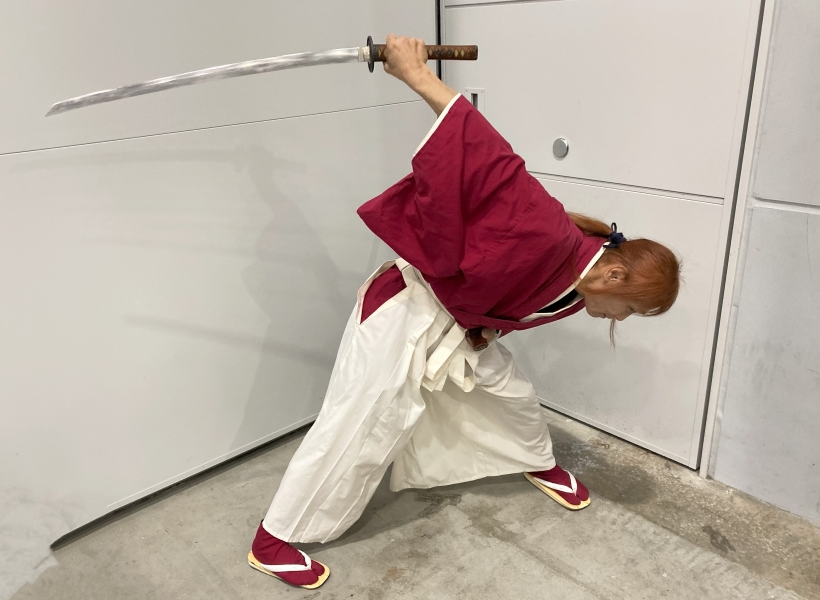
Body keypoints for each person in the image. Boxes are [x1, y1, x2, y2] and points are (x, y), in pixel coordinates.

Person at [245, 34, 681, 590]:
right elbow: (487, 156)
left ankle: (535, 460)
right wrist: (415, 73)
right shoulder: (549, 233)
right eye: (629, 309)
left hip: (458, 326)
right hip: (405, 311)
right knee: (364, 417)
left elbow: (503, 294)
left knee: (510, 393)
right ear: (615, 277)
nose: (619, 318)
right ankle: (274, 539)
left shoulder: (579, 289)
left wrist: (481, 329)